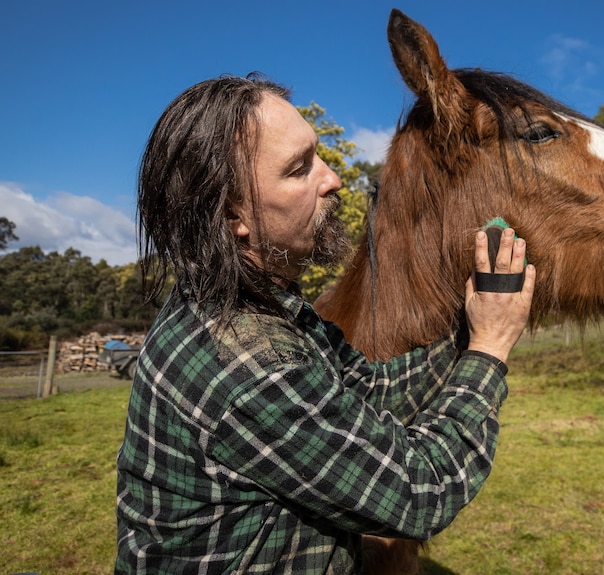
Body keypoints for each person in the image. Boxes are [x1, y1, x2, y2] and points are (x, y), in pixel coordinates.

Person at [114, 74, 535, 574]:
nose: (333, 178)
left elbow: (367, 389)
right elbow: (421, 492)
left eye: (316, 154)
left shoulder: (249, 301)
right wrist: (489, 349)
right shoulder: (250, 363)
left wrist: (471, 330)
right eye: (298, 170)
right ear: (231, 216)